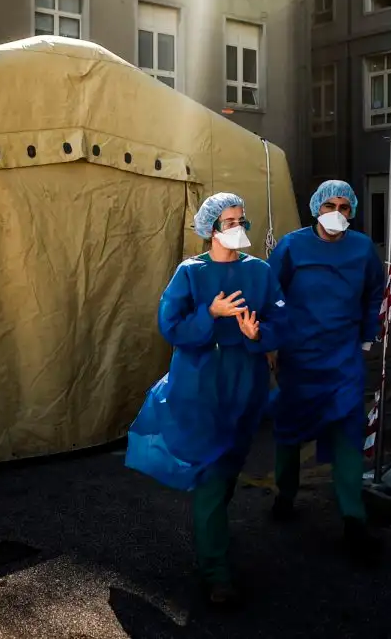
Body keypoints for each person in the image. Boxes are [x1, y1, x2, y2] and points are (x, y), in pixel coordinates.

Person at [125, 192, 289, 608]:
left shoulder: (261, 272)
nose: (238, 229)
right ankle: (216, 570)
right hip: (200, 384)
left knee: (229, 468)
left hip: (245, 383)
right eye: (229, 222)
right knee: (213, 477)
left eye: (242, 220)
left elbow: (280, 322)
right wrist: (210, 314)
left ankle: (210, 538)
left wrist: (260, 336)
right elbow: (171, 327)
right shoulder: (190, 273)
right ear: (210, 229)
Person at [267, 179, 386, 564]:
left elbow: (373, 294)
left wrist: (367, 337)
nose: (337, 213)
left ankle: (354, 519)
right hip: (298, 355)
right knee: (288, 429)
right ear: (316, 208)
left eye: (344, 207)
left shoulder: (363, 249)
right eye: (329, 205)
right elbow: (272, 294)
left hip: (343, 358)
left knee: (348, 432)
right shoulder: (291, 246)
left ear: (352, 211)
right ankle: (285, 494)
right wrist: (272, 341)